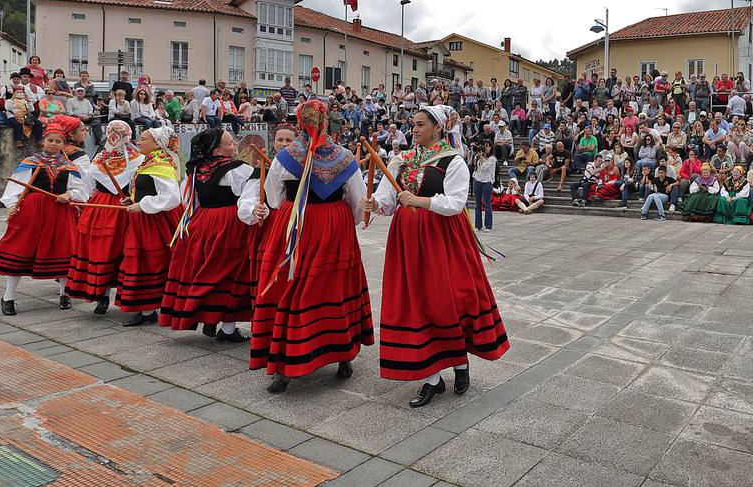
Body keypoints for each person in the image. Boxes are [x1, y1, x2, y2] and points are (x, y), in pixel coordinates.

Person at [360, 105, 510, 408]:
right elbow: (390, 202)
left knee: (449, 300)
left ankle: (461, 364)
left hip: (443, 239)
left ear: (438, 128)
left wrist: (419, 200)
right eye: (412, 124)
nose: (413, 129)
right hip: (407, 240)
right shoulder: (402, 160)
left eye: (419, 125)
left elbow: (455, 203)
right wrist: (374, 205)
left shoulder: (452, 161)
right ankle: (432, 379)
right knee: (418, 303)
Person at [248, 101, 372, 393]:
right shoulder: (344, 157)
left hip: (295, 223)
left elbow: (274, 197)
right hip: (333, 226)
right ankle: (342, 356)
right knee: (334, 286)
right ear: (327, 121)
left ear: (299, 123)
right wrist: (347, 220)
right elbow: (355, 201)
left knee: (291, 286)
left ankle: (285, 362)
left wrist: (291, 209)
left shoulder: (286, 155)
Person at [159, 129, 261, 343]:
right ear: (217, 150)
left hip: (202, 222)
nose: (234, 145)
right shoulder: (239, 169)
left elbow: (187, 199)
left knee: (205, 268)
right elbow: (249, 196)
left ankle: (210, 318)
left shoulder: (196, 169)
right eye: (229, 143)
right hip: (230, 223)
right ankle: (227, 327)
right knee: (231, 273)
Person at [0, 118, 87, 314]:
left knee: (63, 251)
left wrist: (69, 194)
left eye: (58, 141)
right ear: (43, 141)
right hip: (32, 211)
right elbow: (15, 187)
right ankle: (8, 297)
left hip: (59, 212)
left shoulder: (70, 166)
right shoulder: (30, 162)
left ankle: (64, 294)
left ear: (63, 143)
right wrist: (13, 205)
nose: (54, 144)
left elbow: (81, 191)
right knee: (21, 250)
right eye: (51, 140)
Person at [65, 120, 143, 313]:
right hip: (120, 205)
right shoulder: (135, 158)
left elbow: (90, 186)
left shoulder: (104, 157)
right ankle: (110, 296)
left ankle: (106, 296)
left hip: (108, 206)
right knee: (116, 251)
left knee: (106, 250)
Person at [116, 126, 184, 327]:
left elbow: (172, 197)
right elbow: (148, 189)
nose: (139, 141)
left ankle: (150, 310)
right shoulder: (150, 161)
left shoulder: (161, 164)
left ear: (157, 144)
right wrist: (132, 200)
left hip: (156, 221)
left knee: (151, 261)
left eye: (143, 139)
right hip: (145, 218)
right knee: (144, 261)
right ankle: (148, 309)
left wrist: (143, 205)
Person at [470, 140, 497, 232]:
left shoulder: (492, 159)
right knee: (477, 204)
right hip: (477, 180)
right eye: (485, 146)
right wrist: (476, 157)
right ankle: (478, 225)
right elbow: (474, 166)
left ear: (491, 147)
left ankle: (488, 226)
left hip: (487, 182)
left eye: (487, 146)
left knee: (487, 204)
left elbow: (485, 168)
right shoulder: (480, 157)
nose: (486, 148)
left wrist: (481, 157)